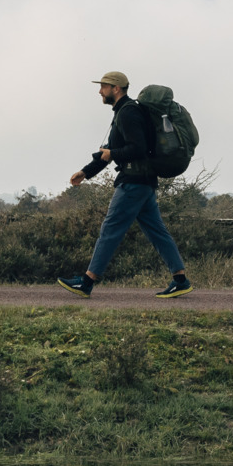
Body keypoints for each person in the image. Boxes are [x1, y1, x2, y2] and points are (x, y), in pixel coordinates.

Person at [59, 70, 192, 299]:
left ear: (116, 88)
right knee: (157, 233)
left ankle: (87, 282)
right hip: (143, 182)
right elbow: (110, 152)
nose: (100, 91)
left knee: (110, 230)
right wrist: (85, 172)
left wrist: (113, 153)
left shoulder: (129, 113)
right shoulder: (124, 112)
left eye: (103, 86)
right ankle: (180, 280)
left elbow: (137, 149)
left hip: (133, 183)